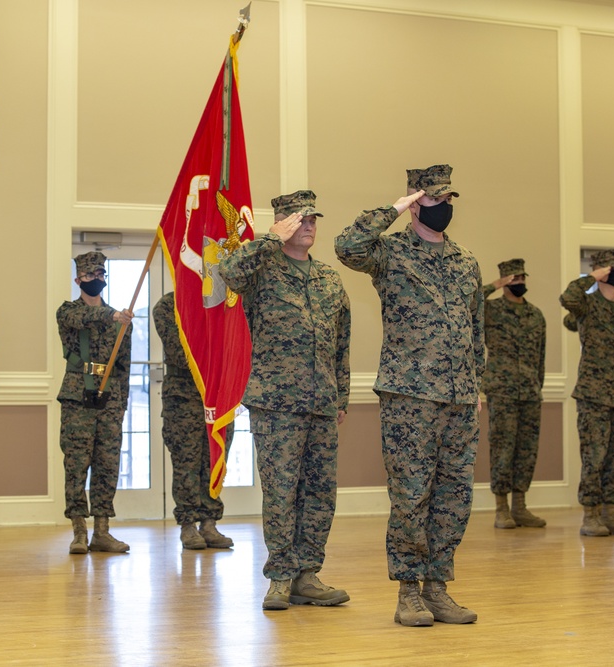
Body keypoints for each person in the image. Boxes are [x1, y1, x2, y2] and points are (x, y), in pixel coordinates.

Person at [335, 164, 482, 627]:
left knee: (454, 495)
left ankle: (438, 588)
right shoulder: (391, 253)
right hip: (410, 395)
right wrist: (391, 210)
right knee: (411, 495)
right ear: (417, 203)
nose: (445, 208)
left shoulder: (466, 261)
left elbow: (476, 329)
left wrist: (476, 383)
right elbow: (346, 247)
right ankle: (408, 592)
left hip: (460, 397)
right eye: (435, 199)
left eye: (449, 199)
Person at [219, 189, 351, 611]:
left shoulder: (330, 278)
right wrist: (269, 239)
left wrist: (341, 396)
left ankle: (307, 575)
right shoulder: (262, 270)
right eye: (299, 220)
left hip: (322, 403)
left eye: (313, 219)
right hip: (276, 403)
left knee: (319, 492)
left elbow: (341, 343)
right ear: (281, 224)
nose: (309, 226)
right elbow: (228, 272)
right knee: (280, 492)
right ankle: (280, 576)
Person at [559, 249, 614, 537]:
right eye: (610, 268)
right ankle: (590, 516)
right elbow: (567, 298)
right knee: (594, 456)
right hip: (594, 395)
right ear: (600, 272)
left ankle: (611, 513)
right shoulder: (587, 306)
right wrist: (591, 277)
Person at [57, 251, 133, 554]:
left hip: (110, 399)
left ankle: (102, 530)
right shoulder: (69, 311)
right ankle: (79, 531)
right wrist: (112, 316)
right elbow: (81, 319)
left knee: (107, 464)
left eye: (101, 275)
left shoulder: (118, 319)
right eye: (90, 276)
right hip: (78, 396)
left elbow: (124, 365)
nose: (96, 280)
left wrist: (123, 402)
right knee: (76, 463)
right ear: (78, 280)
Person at [152, 291, 234, 550]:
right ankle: (188, 524)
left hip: (218, 393)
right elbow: (180, 353)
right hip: (183, 395)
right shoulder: (167, 306)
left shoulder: (223, 302)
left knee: (215, 457)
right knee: (186, 461)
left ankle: (209, 523)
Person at [483, 259, 546, 529]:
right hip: (502, 390)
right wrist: (494, 285)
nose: (519, 283)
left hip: (530, 390)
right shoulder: (491, 310)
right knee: (503, 447)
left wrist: (536, 384)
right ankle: (501, 509)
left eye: (522, 278)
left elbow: (541, 357)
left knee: (527, 450)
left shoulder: (536, 315)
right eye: (513, 278)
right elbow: (468, 299)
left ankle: (520, 506)